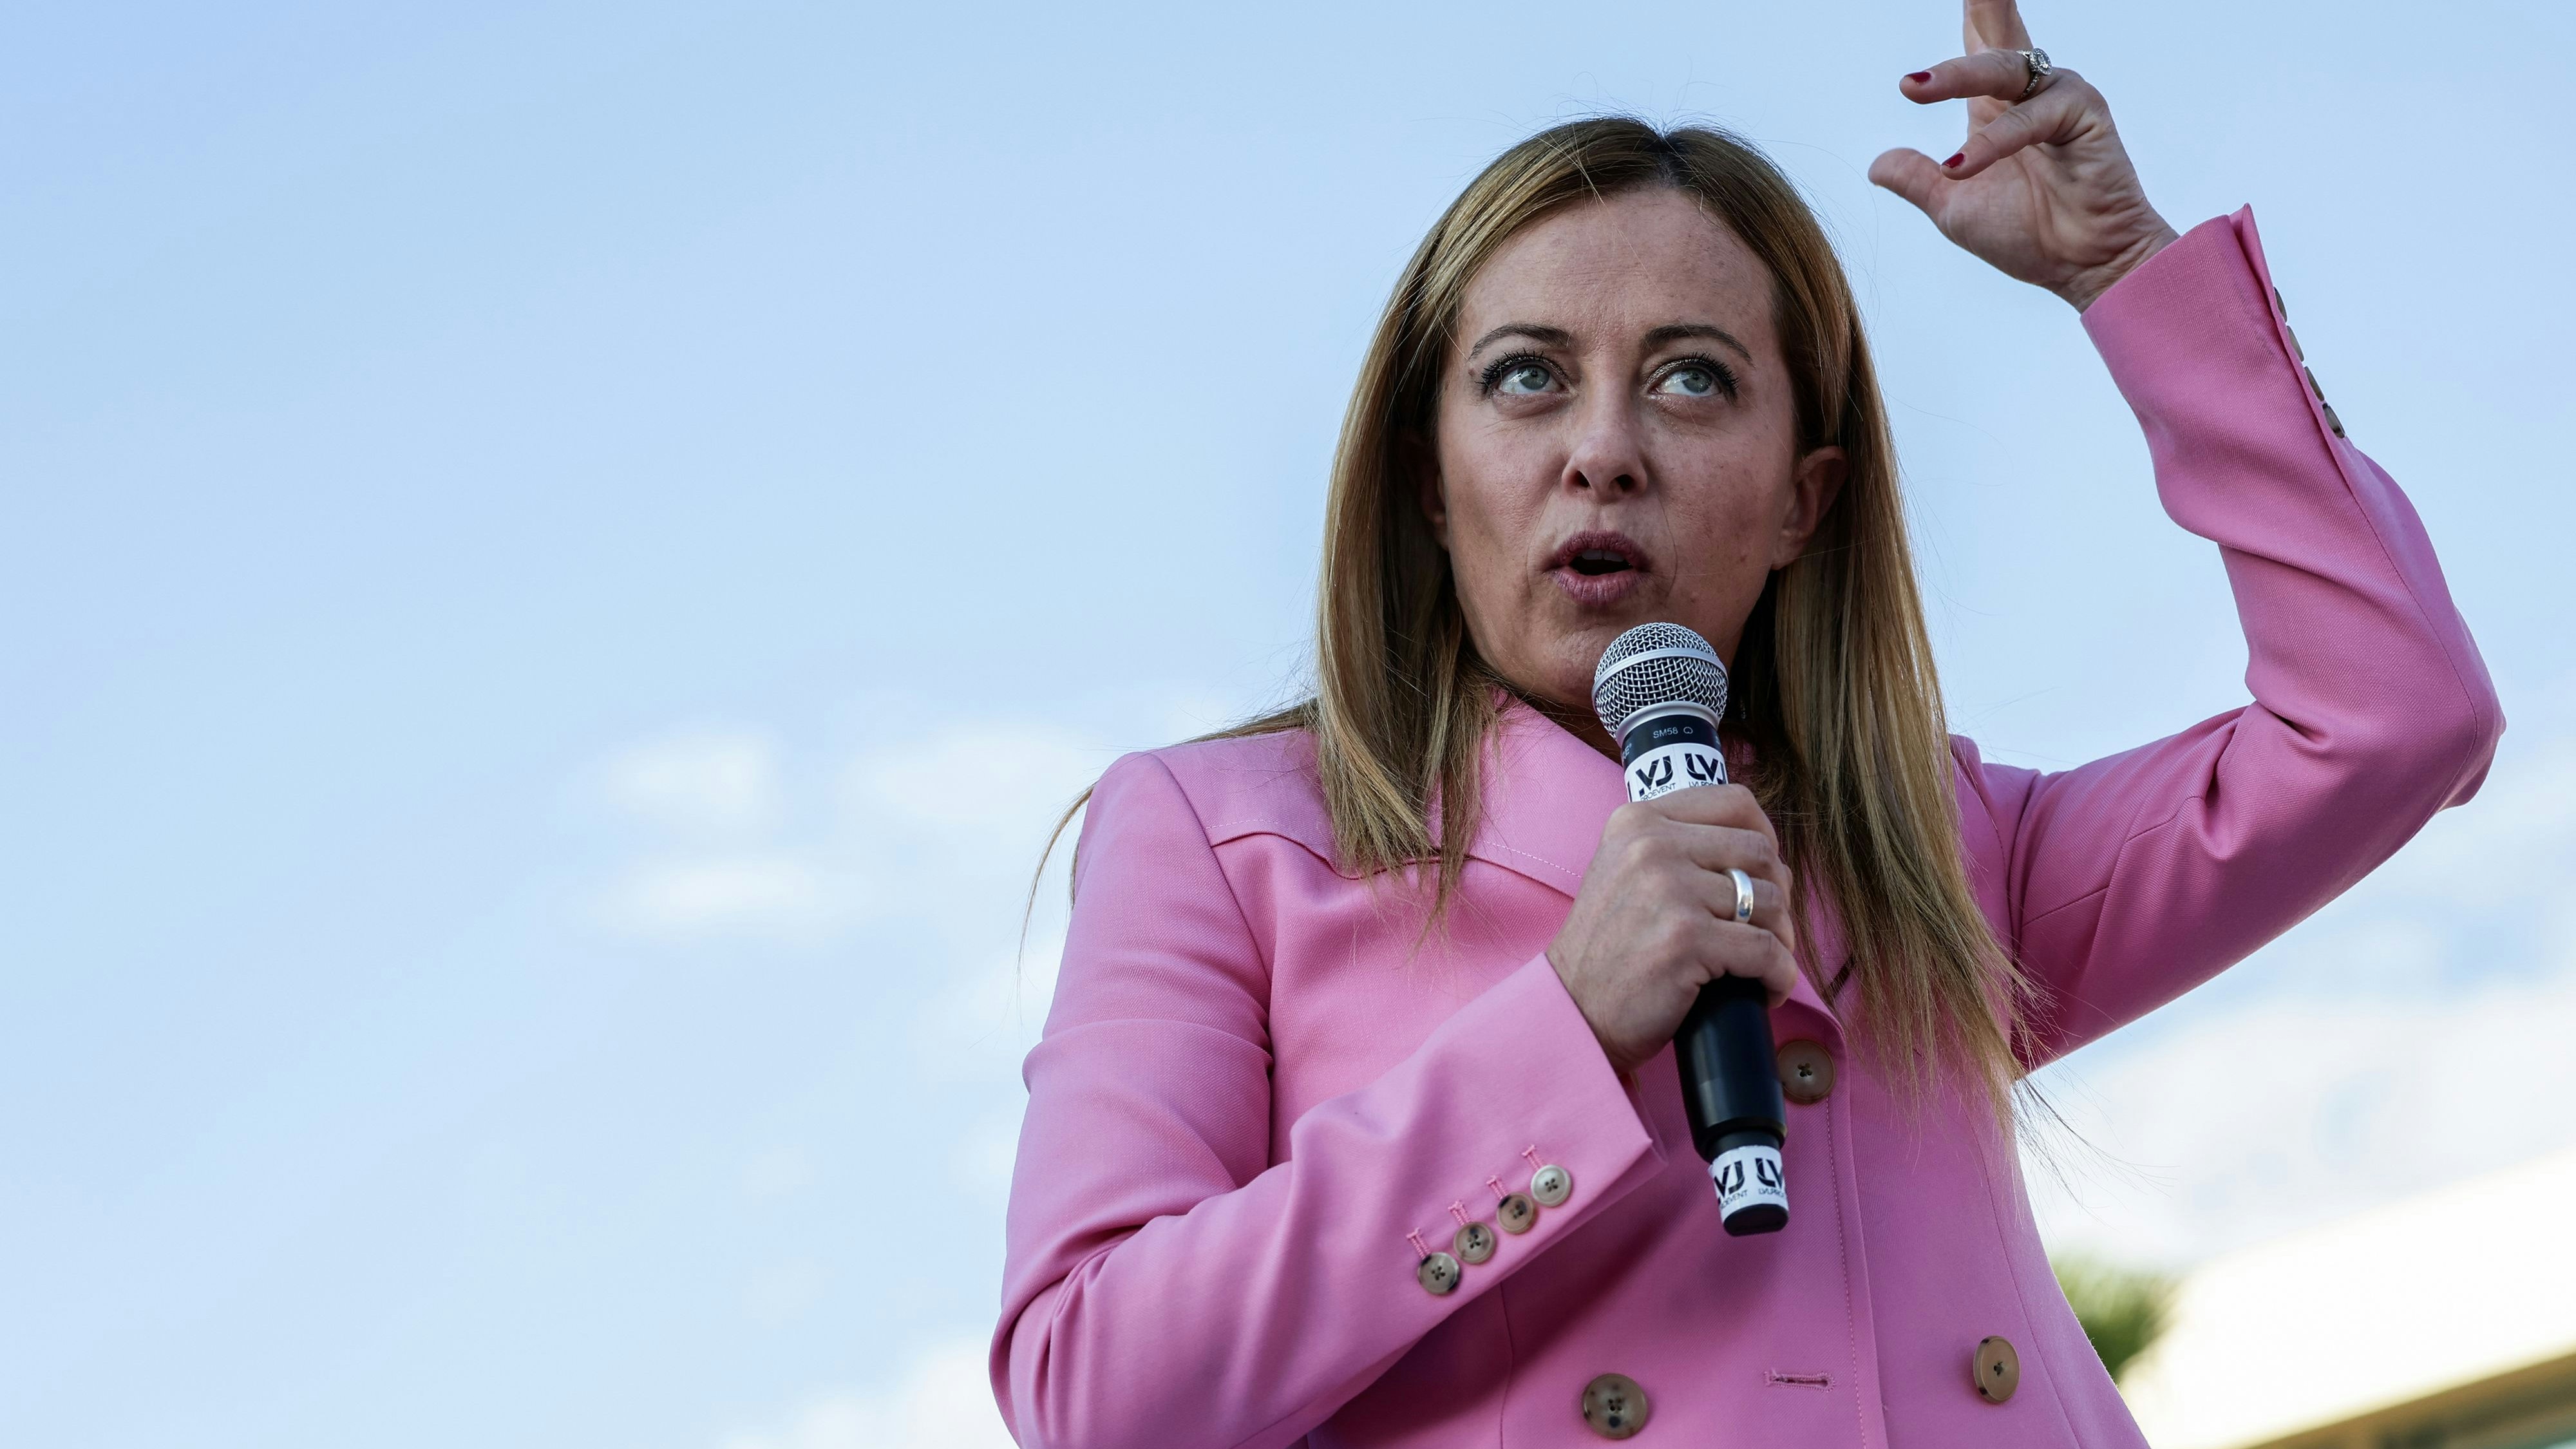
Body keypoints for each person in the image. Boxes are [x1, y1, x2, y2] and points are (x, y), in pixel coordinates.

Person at [991, 2, 2503, 1444]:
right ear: (1424, 481)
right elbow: (1092, 1385)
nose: (1602, 452)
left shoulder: (1932, 852)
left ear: (1800, 499)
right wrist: (1566, 1028)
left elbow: (2395, 714)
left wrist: (2123, 274)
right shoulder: (1228, 841)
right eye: (1524, 380)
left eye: (1691, 382)